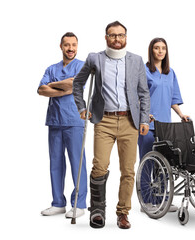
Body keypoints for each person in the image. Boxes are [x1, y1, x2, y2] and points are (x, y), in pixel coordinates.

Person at [73, 21, 150, 229]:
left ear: (126, 37)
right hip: (104, 120)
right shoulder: (94, 58)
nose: (117, 39)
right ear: (106, 37)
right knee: (99, 166)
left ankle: (123, 213)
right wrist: (82, 108)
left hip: (129, 121)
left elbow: (143, 92)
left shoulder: (136, 60)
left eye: (121, 35)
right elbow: (78, 83)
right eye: (113, 35)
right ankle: (97, 210)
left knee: (128, 170)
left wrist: (144, 119)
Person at [38, 32, 87, 218]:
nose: (71, 48)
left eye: (74, 45)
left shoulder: (81, 66)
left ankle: (79, 204)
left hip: (74, 120)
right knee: (56, 163)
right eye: (67, 45)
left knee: (77, 162)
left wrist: (54, 86)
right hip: (54, 121)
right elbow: (41, 89)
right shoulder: (51, 68)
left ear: (77, 46)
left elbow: (75, 84)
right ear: (61, 47)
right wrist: (63, 88)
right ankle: (58, 203)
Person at [138, 38, 190, 211]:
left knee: (165, 166)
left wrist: (181, 114)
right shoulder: (143, 71)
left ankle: (163, 199)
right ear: (151, 50)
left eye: (163, 48)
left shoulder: (170, 73)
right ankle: (147, 200)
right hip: (148, 125)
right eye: (156, 48)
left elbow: (172, 99)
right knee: (148, 163)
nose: (160, 51)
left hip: (166, 127)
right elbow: (136, 98)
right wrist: (145, 114)